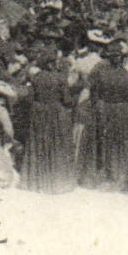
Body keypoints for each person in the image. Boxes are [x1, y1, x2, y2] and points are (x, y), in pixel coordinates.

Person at [80, 37, 128, 192]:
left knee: (113, 142)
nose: (116, 59)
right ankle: (107, 175)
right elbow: (93, 90)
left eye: (118, 56)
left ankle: (113, 175)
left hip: (115, 109)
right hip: (110, 108)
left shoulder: (125, 72)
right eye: (114, 56)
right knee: (107, 142)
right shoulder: (105, 70)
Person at [20, 49, 78, 194]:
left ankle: (37, 180)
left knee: (39, 143)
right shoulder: (60, 79)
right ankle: (55, 180)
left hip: (38, 112)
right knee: (55, 144)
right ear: (52, 64)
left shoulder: (36, 77)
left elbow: (29, 98)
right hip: (55, 112)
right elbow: (67, 100)